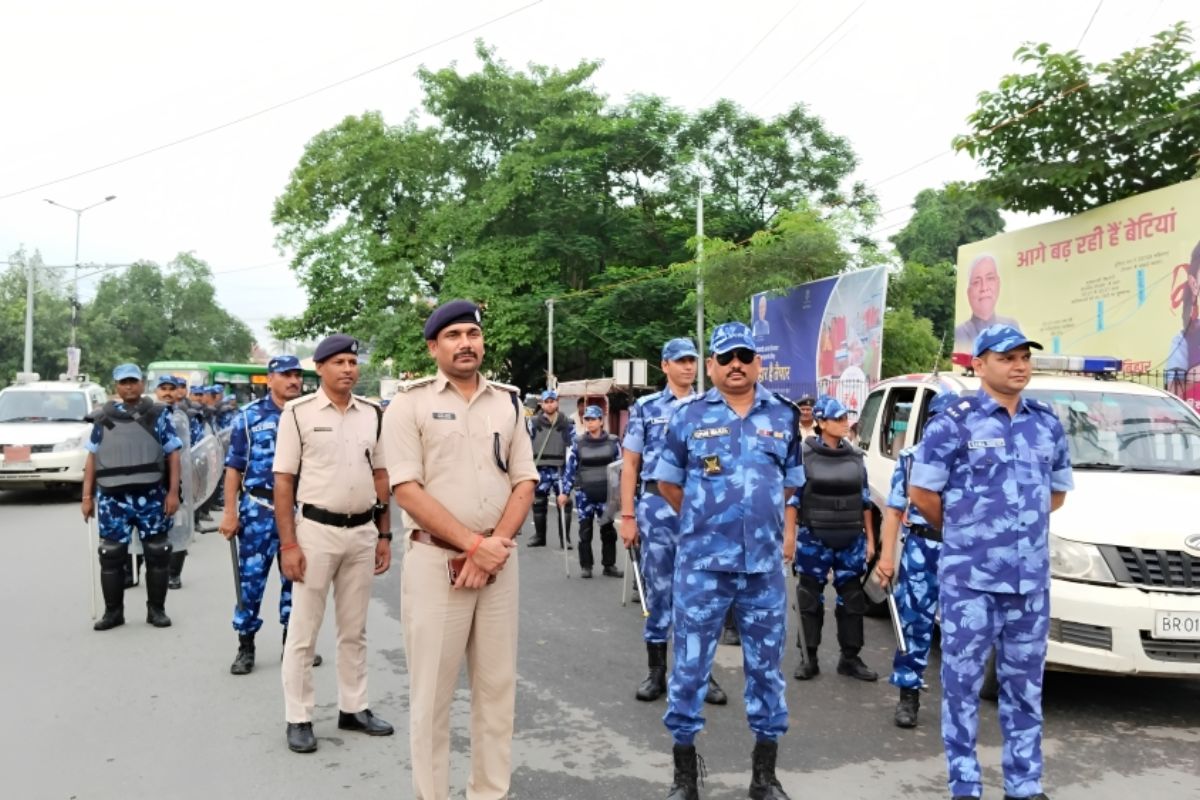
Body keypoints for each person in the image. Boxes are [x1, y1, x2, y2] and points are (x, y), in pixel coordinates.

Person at [909, 324, 1073, 800]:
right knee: (961, 689)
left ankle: (1024, 784)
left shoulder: (1046, 422)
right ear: (979, 364)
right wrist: (968, 532)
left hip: (1030, 585)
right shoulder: (953, 422)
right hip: (970, 584)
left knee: (1024, 690)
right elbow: (922, 493)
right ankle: (965, 784)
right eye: (1007, 357)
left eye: (1024, 356)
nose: (1019, 365)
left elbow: (1056, 492)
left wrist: (1014, 529)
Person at [385, 299, 536, 800]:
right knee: (432, 698)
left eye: (472, 333)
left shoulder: (509, 402)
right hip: (435, 564)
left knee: (496, 692)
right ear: (433, 347)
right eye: (453, 336)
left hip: (498, 565)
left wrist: (492, 548)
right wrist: (472, 545)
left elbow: (524, 482)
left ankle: (489, 793)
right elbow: (406, 489)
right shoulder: (408, 404)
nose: (466, 343)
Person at [653, 322, 803, 800]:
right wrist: (707, 522)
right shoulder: (688, 416)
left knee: (766, 670)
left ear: (758, 362)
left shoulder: (782, 416)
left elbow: (788, 482)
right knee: (690, 669)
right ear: (712, 366)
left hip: (762, 569)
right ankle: (684, 776)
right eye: (725, 357)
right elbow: (668, 483)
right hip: (701, 567)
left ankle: (764, 775)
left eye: (744, 355)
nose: (735, 364)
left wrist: (760, 523)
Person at [273, 334, 393, 754]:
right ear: (320, 368)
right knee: (304, 630)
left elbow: (381, 475)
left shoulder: (372, 413)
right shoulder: (299, 413)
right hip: (315, 533)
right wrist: (289, 544)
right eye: (339, 362)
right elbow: (284, 481)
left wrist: (384, 533)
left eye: (353, 361)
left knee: (354, 629)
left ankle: (353, 707)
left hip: (361, 532)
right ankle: (299, 716)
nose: (348, 369)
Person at [619, 337, 727, 705]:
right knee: (659, 589)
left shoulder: (711, 407)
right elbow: (630, 464)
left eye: (693, 361)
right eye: (680, 361)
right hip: (656, 505)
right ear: (664, 365)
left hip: (698, 505)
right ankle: (656, 673)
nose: (688, 367)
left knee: (702, 593)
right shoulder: (647, 408)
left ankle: (702, 673)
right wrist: (628, 515)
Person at [219, 355, 323, 675]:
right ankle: (245, 646)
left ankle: (291, 645)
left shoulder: (310, 414)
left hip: (300, 510)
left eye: (297, 375)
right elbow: (234, 467)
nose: (294, 381)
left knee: (298, 581)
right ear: (270, 378)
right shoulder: (248, 417)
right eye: (286, 375)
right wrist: (229, 511)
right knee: (251, 582)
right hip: (259, 510)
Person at [874, 389, 957, 729]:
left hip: (961, 553)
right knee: (914, 624)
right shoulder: (911, 458)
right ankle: (908, 695)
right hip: (922, 549)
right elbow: (894, 512)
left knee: (961, 629)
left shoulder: (973, 459)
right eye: (942, 420)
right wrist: (887, 558)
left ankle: (957, 701)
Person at [82, 364, 182, 631]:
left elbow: (173, 454)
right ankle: (113, 613)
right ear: (116, 385)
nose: (129, 386)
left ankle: (156, 610)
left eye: (133, 382)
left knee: (157, 553)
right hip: (112, 499)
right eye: (123, 382)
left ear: (141, 384)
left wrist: (173, 493)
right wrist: (86, 496)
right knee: (112, 555)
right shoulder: (102, 417)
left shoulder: (158, 414)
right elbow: (92, 457)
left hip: (151, 496)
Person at [787, 396, 878, 682]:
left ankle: (850, 658)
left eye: (845, 418)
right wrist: (789, 537)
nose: (844, 423)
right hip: (813, 536)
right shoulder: (804, 456)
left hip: (850, 537)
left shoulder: (855, 457)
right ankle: (809, 657)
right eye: (837, 419)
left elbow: (864, 502)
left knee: (852, 599)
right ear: (821, 423)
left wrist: (871, 541)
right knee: (809, 599)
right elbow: (792, 502)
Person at [558, 405, 623, 579]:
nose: (590, 422)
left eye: (593, 419)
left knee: (608, 531)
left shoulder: (613, 442)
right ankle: (586, 566)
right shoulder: (577, 442)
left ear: (601, 421)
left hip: (606, 493)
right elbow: (570, 469)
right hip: (585, 493)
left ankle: (609, 565)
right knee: (585, 531)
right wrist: (564, 492)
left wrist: (621, 492)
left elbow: (620, 467)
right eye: (587, 419)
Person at [528, 389, 575, 548]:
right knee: (539, 502)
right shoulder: (533, 422)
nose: (549, 404)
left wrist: (571, 468)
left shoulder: (566, 423)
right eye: (546, 402)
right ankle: (540, 537)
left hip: (559, 469)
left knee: (565, 503)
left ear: (557, 402)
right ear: (541, 404)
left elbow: (572, 448)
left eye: (552, 401)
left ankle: (565, 539)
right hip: (540, 468)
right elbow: (525, 443)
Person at [953, 254, 1020, 354]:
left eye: (990, 278)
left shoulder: (1011, 326)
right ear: (968, 292)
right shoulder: (961, 333)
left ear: (998, 284)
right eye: (976, 282)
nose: (984, 288)